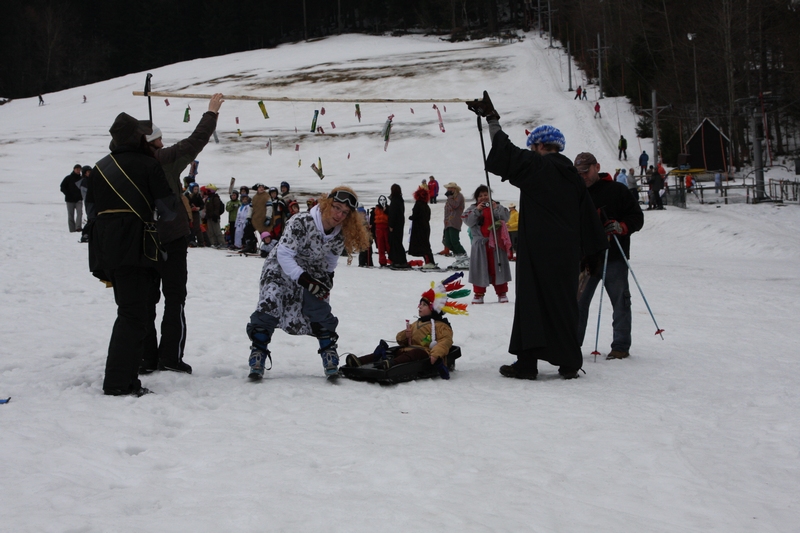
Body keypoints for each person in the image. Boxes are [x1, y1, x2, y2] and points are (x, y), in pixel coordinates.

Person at [466, 91, 607, 380]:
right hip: (567, 254)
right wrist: (591, 256)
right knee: (563, 303)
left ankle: (527, 363)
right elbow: (589, 220)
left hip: (537, 252)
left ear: (541, 145)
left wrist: (492, 120)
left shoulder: (539, 166)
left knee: (532, 304)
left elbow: (506, 152)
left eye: (533, 147)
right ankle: (568, 362)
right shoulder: (573, 177)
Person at [85, 112, 178, 396]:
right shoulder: (148, 165)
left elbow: (91, 211)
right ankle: (118, 382)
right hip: (137, 248)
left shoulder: (100, 167)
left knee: (130, 310)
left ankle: (123, 377)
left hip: (105, 249)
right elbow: (169, 210)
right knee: (133, 315)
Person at [245, 186, 370, 379]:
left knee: (319, 307)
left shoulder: (339, 233)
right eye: (336, 207)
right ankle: (258, 353)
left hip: (313, 270)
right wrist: (304, 279)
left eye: (345, 212)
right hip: (280, 267)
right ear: (328, 203)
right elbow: (284, 253)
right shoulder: (301, 221)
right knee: (270, 301)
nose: (339, 215)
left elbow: (331, 260)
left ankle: (329, 355)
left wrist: (327, 280)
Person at [573, 152, 644, 360]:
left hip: (614, 256)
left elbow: (637, 217)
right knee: (577, 302)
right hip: (587, 259)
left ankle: (620, 346)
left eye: (586, 171)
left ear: (597, 167)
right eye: (579, 173)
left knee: (620, 302)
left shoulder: (617, 190)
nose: (583, 176)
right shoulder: (576, 191)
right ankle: (571, 344)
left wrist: (621, 226)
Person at [344, 273, 470, 370]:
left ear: (433, 309)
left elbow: (445, 342)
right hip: (407, 350)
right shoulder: (416, 323)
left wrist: (436, 354)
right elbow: (400, 340)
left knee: (415, 353)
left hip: (424, 353)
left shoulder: (441, 326)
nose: (419, 307)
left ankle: (391, 364)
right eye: (420, 304)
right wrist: (405, 335)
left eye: (424, 305)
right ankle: (361, 361)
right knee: (391, 351)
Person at [464, 184, 512, 303]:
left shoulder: (497, 206)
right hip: (480, 245)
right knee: (480, 268)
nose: (483, 198)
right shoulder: (471, 209)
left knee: (498, 268)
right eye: (480, 196)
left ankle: (502, 292)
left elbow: (505, 218)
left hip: (496, 244)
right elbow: (468, 222)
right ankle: (478, 293)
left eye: (486, 195)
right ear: (476, 198)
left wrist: (496, 208)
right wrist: (478, 210)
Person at [408, 187, 437, 269]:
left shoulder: (418, 204)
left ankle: (429, 262)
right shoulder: (426, 206)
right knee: (426, 244)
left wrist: (411, 217)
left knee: (423, 245)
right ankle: (430, 261)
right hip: (425, 227)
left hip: (419, 228)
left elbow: (416, 215)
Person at [386, 184, 411, 269]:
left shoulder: (395, 200)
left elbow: (393, 213)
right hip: (400, 223)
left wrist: (391, 225)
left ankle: (399, 261)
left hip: (395, 225)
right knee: (398, 242)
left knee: (395, 243)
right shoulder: (400, 200)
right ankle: (398, 260)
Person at [441, 182, 467, 258]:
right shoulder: (451, 197)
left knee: (454, 240)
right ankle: (457, 254)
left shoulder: (459, 196)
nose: (449, 189)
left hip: (454, 221)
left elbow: (455, 205)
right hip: (448, 222)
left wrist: (449, 197)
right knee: (447, 240)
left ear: (455, 189)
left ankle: (462, 254)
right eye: (448, 188)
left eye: (451, 188)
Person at [61, 164, 84, 233]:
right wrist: (67, 194)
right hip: (69, 200)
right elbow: (62, 187)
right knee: (71, 215)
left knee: (80, 212)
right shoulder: (68, 178)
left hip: (79, 199)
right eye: (76, 169)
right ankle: (72, 229)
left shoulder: (82, 179)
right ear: (74, 169)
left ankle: (78, 227)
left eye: (79, 169)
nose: (78, 170)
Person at [370, 195, 390, 267]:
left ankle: (391, 260)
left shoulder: (388, 208)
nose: (382, 201)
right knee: (380, 246)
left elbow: (391, 217)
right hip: (378, 229)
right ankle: (382, 262)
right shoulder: (375, 210)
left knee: (388, 245)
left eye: (383, 200)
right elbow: (372, 222)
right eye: (381, 200)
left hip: (386, 228)